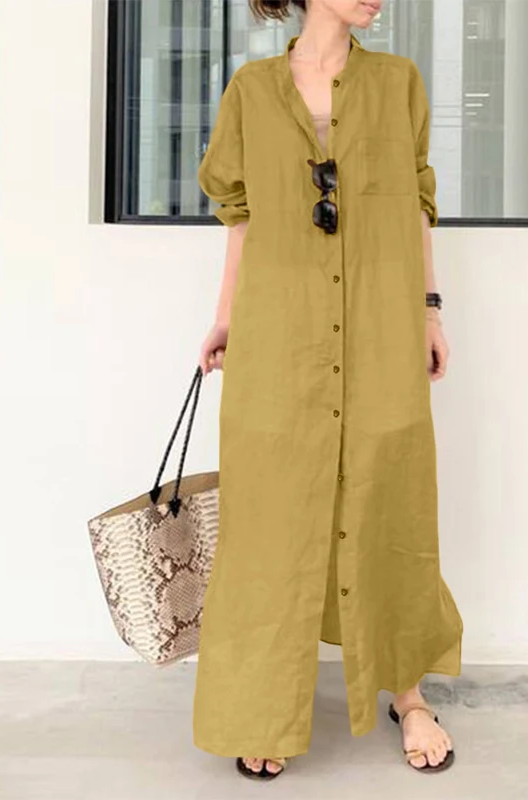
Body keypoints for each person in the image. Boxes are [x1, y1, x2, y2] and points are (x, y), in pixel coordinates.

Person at [193, 0, 464, 781]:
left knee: (389, 498)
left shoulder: (398, 83)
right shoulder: (251, 90)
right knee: (271, 518)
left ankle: (409, 694)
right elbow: (240, 217)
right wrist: (225, 319)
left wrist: (430, 310)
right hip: (279, 330)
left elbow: (416, 204)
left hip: (381, 327)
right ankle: (262, 706)